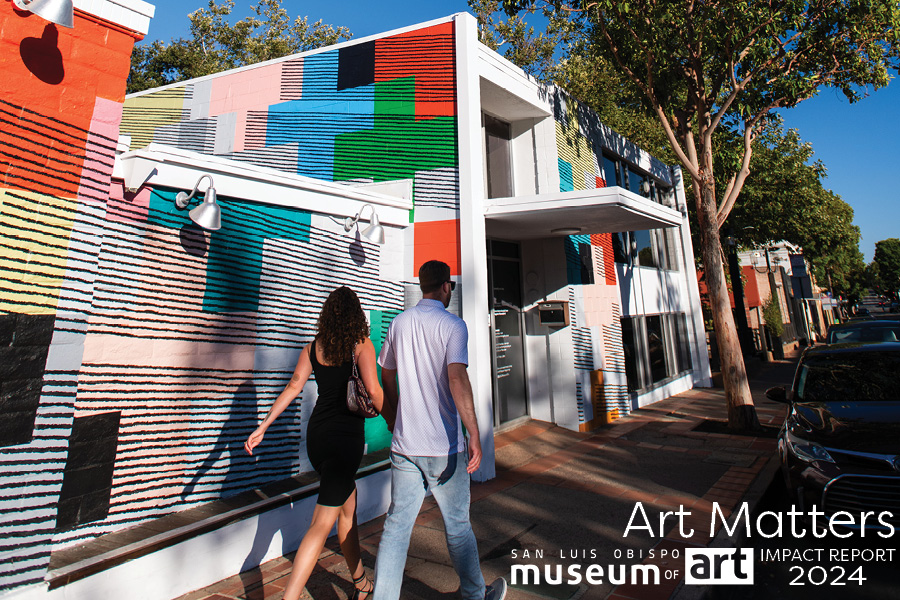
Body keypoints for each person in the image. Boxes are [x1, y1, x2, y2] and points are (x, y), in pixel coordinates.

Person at [373, 260, 507, 600]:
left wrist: (394, 413)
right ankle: (476, 595)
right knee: (458, 527)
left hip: (405, 447)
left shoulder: (399, 324)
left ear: (422, 285)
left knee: (396, 527)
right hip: (445, 448)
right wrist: (474, 433)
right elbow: (457, 379)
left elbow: (386, 374)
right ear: (446, 286)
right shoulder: (453, 326)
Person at [244, 286, 382, 600]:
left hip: (318, 438)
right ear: (355, 314)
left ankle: (360, 584)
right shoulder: (361, 344)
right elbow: (373, 393)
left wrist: (264, 426)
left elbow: (294, 386)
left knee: (347, 512)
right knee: (322, 524)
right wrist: (393, 416)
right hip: (344, 441)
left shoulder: (314, 347)